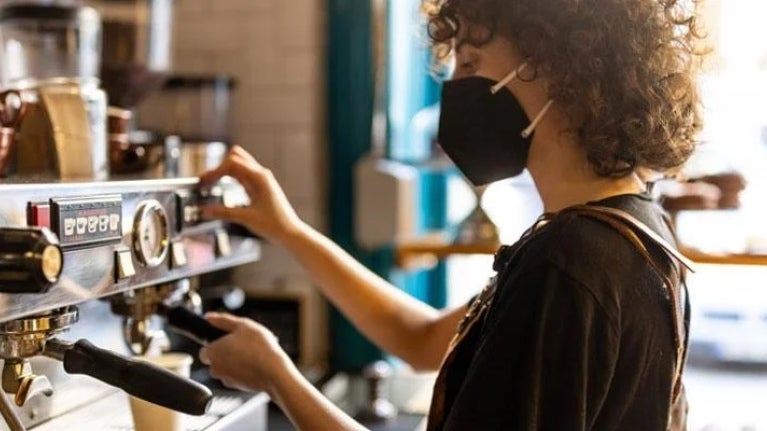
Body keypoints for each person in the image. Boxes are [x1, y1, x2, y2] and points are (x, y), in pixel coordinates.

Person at [197, 0, 703, 429]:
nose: (456, 88)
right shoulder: (634, 228)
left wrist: (276, 379)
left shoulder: (566, 263)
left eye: (470, 62)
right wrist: (288, 230)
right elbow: (420, 340)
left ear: (551, 66)